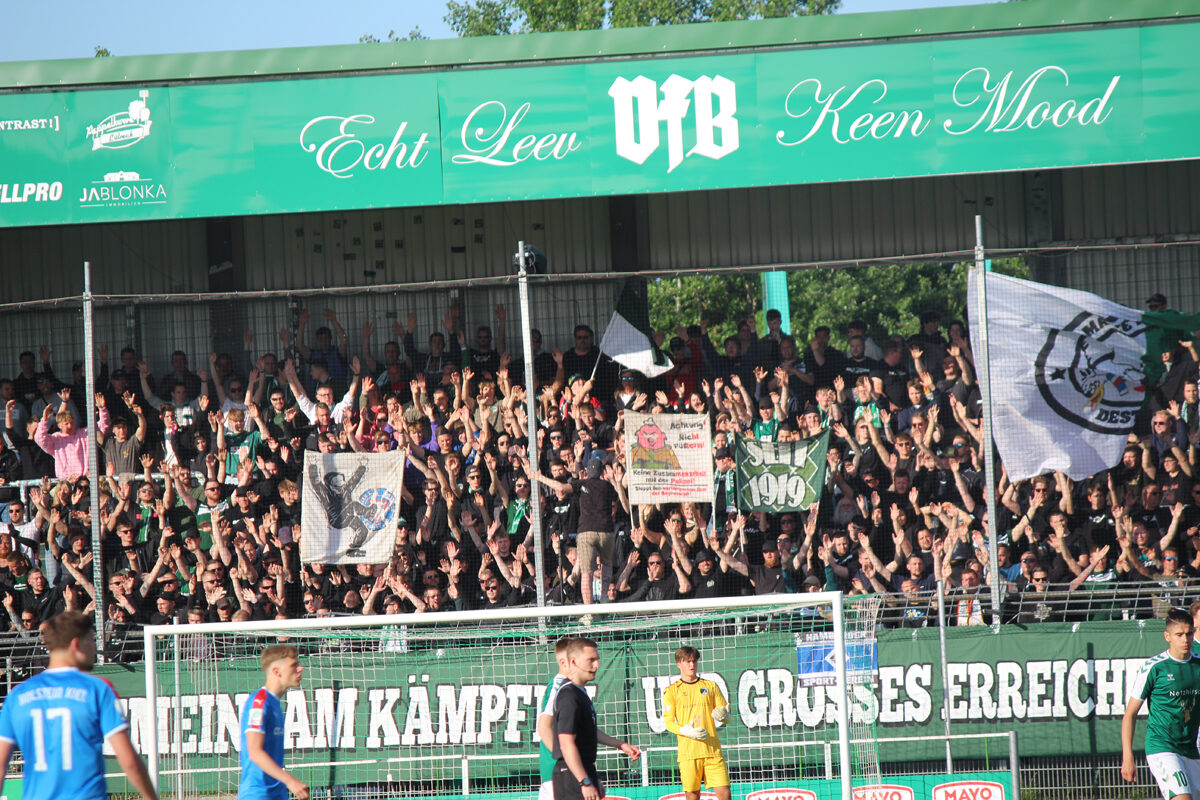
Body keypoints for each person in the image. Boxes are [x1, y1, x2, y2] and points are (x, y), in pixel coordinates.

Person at [0, 610, 158, 800]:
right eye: (91, 640)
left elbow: (1, 765)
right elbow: (129, 760)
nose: (94, 647)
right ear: (76, 644)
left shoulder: (18, 695)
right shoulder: (97, 688)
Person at [1121, 607, 1200, 799]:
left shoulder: (1198, 665)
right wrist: (1128, 757)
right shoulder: (1154, 667)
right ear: (1167, 636)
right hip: (1162, 747)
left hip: (1190, 748)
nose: (1185, 639)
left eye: (1189, 634)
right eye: (1179, 634)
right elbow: (1129, 714)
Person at [551, 637, 641, 800]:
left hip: (582, 770)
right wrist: (584, 782)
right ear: (573, 661)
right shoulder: (569, 696)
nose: (597, 665)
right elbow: (566, 744)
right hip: (571, 775)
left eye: (597, 660)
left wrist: (620, 745)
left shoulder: (580, 692)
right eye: (591, 660)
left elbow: (588, 731)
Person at [240, 644, 310, 800]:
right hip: (258, 794)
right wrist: (290, 781)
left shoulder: (275, 703)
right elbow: (254, 752)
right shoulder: (259, 702)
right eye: (294, 665)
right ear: (276, 672)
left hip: (277, 793)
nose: (300, 668)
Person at [662, 646, 731, 800]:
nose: (691, 665)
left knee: (725, 792)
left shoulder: (710, 686)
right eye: (687, 661)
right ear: (679, 664)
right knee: (692, 795)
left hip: (712, 750)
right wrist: (687, 731)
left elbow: (725, 713)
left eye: (694, 661)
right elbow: (668, 723)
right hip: (689, 753)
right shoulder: (672, 691)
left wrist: (724, 716)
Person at [537, 638, 573, 800]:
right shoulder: (558, 686)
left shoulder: (574, 687)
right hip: (558, 773)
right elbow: (543, 727)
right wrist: (565, 761)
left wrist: (618, 744)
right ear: (563, 661)